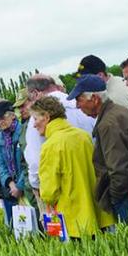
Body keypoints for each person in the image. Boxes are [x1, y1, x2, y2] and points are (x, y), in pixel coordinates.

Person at [70, 75, 128, 231]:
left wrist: (114, 198)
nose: (77, 106)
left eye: (79, 100)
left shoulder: (109, 123)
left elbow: (119, 169)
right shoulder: (117, 113)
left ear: (94, 98)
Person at [32, 96, 115, 238]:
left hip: (71, 219)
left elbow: (49, 192)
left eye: (35, 119)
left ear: (46, 117)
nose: (34, 124)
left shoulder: (50, 145)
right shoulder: (83, 136)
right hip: (97, 212)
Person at [24, 74, 95, 215]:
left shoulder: (40, 119)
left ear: (35, 93)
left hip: (63, 196)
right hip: (93, 185)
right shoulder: (80, 105)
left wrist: (38, 187)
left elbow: (35, 162)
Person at [0, 100, 27, 224]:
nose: (0, 122)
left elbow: (27, 163)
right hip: (11, 188)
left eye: (2, 118)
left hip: (26, 185)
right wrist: (11, 184)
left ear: (12, 115)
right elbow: (0, 164)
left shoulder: (23, 131)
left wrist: (20, 186)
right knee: (20, 226)